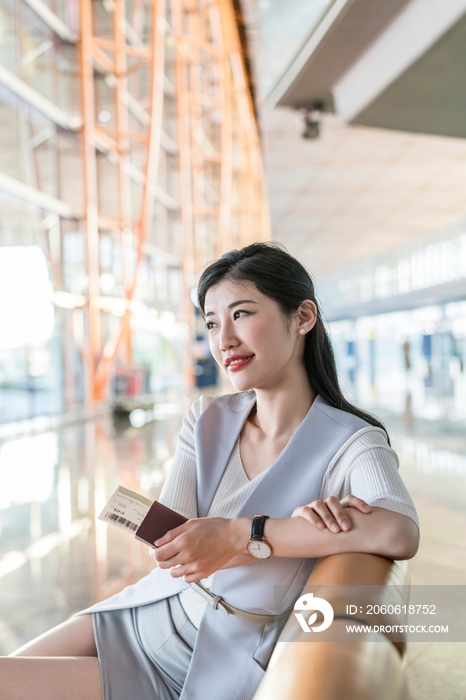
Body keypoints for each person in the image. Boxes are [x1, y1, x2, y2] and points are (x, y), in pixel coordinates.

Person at [0, 242, 419, 700]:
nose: (224, 341)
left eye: (241, 314)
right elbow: (173, 550)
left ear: (302, 318)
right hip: (149, 608)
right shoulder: (207, 417)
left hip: (209, 656)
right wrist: (286, 532)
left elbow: (398, 531)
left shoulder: (351, 441)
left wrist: (245, 534)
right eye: (213, 322)